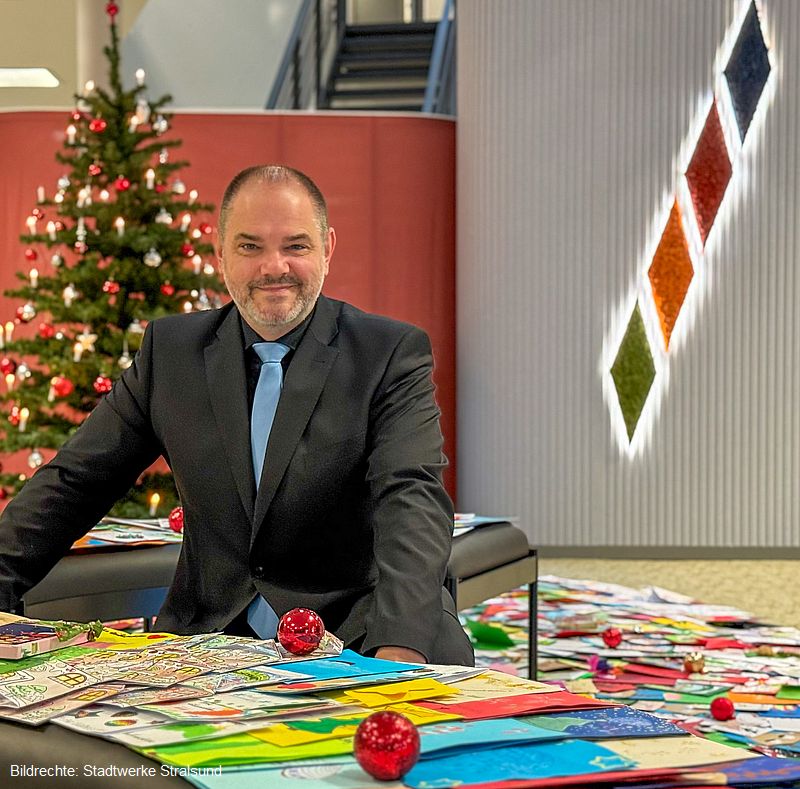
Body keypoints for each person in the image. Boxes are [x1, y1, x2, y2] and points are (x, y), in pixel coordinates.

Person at [0, 165, 474, 667]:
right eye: (250, 246)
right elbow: (76, 481)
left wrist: (399, 649)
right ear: (220, 252)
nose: (274, 267)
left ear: (327, 249)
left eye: (296, 246)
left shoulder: (389, 352)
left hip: (360, 631)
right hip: (206, 643)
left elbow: (410, 498)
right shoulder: (170, 352)